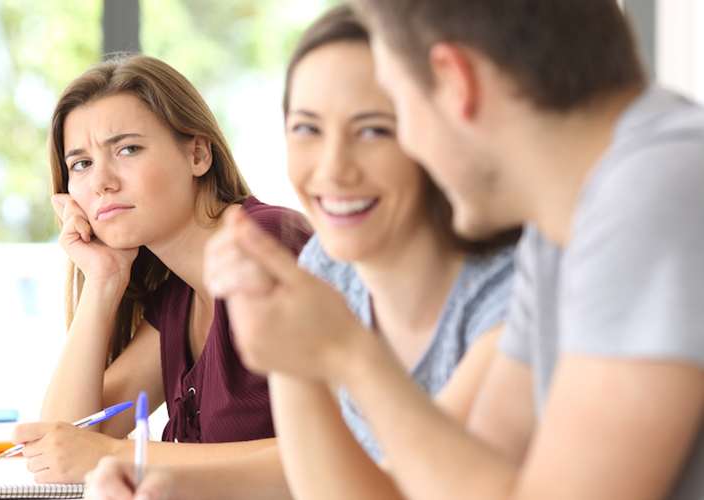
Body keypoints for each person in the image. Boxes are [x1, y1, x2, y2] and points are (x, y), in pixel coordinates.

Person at [199, 1, 704, 500]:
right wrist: (294, 349)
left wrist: (349, 353)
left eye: (393, 113)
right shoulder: (558, 230)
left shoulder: (651, 192)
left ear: (453, 81)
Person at [82, 6, 518, 499]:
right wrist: (159, 483)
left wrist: (342, 349)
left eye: (374, 129)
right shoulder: (327, 267)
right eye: (308, 129)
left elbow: (414, 484)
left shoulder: (510, 296)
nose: (333, 169)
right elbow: (315, 472)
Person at [9, 54, 312, 484]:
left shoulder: (266, 246)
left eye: (127, 149)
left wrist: (114, 454)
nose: (101, 182)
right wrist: (103, 280)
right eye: (81, 164)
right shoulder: (178, 293)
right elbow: (61, 446)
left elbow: (337, 454)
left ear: (198, 154)